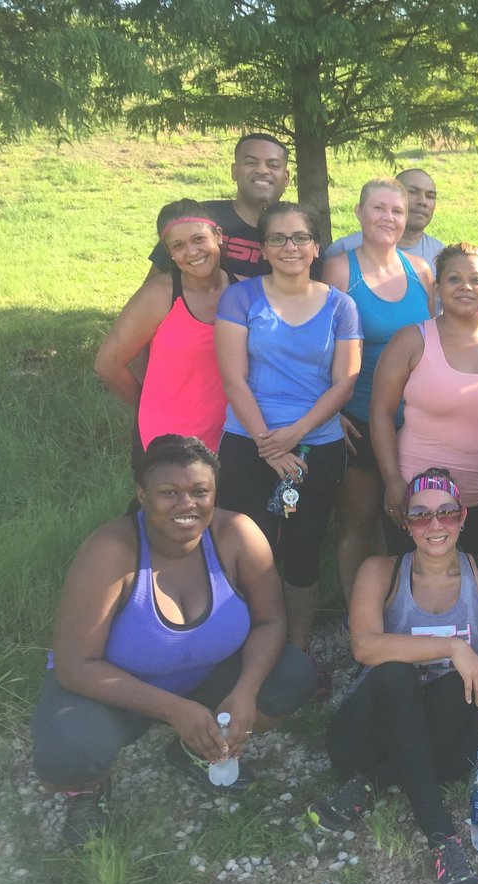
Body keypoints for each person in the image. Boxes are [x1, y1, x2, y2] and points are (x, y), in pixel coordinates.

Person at [31, 436, 316, 847]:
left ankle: (198, 752)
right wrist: (173, 710)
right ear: (142, 495)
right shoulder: (111, 551)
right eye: (170, 493)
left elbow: (271, 622)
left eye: (200, 491)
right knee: (68, 752)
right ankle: (88, 792)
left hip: (202, 680)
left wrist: (244, 692)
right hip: (116, 690)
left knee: (291, 675)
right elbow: (77, 665)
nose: (188, 504)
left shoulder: (238, 533)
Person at [307, 469, 478, 884]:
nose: (435, 526)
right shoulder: (380, 572)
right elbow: (365, 648)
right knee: (395, 672)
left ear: (463, 518)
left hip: (441, 734)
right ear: (405, 523)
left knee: (462, 689)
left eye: (446, 514)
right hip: (364, 737)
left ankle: (375, 782)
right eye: (421, 515)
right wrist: (450, 646)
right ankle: (443, 840)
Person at [214, 201, 363, 666]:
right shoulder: (240, 299)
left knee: (303, 548)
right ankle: (241, 647)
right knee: (243, 549)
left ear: (316, 246)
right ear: (263, 248)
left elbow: (346, 382)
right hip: (246, 443)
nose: (290, 247)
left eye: (300, 237)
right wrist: (267, 441)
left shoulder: (341, 305)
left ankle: (296, 651)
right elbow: (233, 378)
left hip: (315, 446)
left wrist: (294, 434)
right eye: (277, 238)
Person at [370, 243, 478, 584]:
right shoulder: (411, 341)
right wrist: (391, 480)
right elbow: (381, 413)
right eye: (454, 278)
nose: (465, 286)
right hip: (417, 498)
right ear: (438, 288)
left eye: (476, 279)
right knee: (416, 592)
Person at [322, 178, 434, 613]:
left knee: (413, 520)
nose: (388, 218)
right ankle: (358, 614)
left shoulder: (421, 271)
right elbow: (320, 348)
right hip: (360, 418)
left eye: (397, 211)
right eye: (379, 209)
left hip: (418, 421)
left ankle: (408, 608)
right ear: (359, 212)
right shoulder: (339, 270)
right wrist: (330, 412)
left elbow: (435, 341)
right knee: (358, 521)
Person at [96, 200, 237, 459]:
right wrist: (145, 406)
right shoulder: (159, 295)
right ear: (168, 253)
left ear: (218, 236)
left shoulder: (245, 291)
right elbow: (108, 363)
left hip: (233, 436)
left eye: (198, 239)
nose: (192, 252)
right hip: (168, 442)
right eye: (179, 246)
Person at [146, 134, 290, 279]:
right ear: (234, 171)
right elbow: (151, 288)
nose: (262, 170)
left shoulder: (299, 228)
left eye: (273, 165)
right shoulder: (197, 218)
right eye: (251, 162)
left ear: (286, 178)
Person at [324, 169, 446, 269]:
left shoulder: (442, 255)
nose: (423, 202)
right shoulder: (342, 249)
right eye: (413, 192)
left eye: (430, 196)